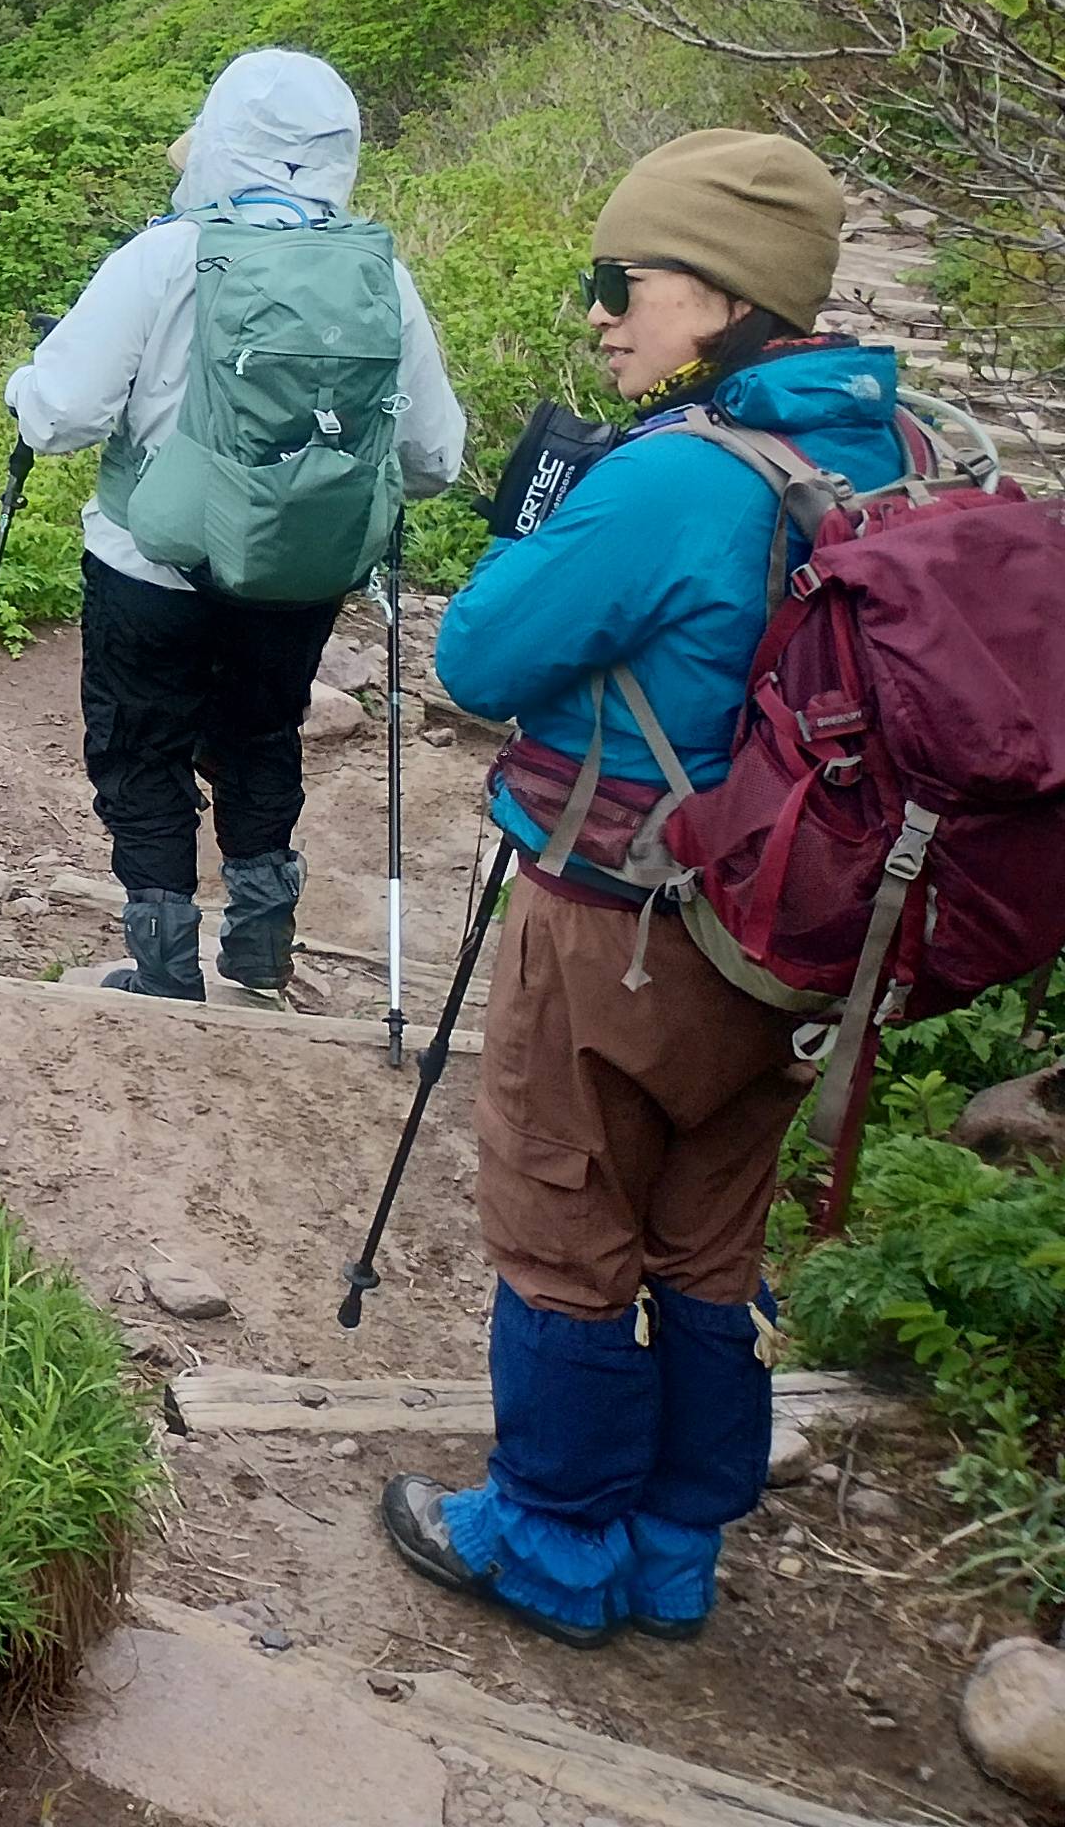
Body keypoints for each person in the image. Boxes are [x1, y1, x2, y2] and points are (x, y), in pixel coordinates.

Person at [385, 127, 891, 1646]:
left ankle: (549, 1545)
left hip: (624, 919)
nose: (601, 312)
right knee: (708, 1244)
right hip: (811, 942)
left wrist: (544, 529)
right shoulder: (898, 451)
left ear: (723, 295)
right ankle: (676, 1549)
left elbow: (476, 658)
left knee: (565, 1224)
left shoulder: (676, 476)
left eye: (627, 281)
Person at [7, 51, 466, 1001]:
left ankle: (163, 962)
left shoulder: (165, 255)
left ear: (216, 139)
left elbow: (59, 417)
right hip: (300, 575)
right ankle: (260, 946)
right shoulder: (379, 273)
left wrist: (22, 384)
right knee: (262, 736)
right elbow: (433, 459)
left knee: (141, 746)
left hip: (149, 563)